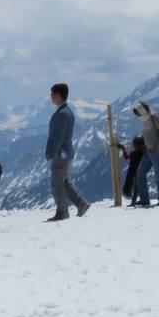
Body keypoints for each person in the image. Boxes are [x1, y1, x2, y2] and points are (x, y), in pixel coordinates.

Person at [45, 83, 90, 222]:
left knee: (56, 183)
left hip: (61, 153)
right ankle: (81, 204)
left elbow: (58, 136)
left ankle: (62, 212)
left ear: (58, 95)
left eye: (52, 94)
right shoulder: (65, 112)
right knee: (64, 181)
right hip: (65, 152)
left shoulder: (62, 114)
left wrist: (52, 152)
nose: (51, 97)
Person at [133, 101, 159, 206]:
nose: (138, 116)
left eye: (138, 113)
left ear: (143, 112)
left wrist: (158, 146)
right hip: (149, 150)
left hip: (157, 151)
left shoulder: (155, 118)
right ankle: (144, 199)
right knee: (140, 172)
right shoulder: (146, 120)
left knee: (158, 175)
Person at [123, 137, 147, 205]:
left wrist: (124, 150)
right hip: (136, 172)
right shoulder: (142, 153)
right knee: (136, 187)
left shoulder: (133, 153)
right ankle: (137, 200)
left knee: (135, 187)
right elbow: (127, 157)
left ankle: (134, 201)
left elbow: (126, 157)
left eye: (135, 145)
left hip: (133, 173)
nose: (134, 146)